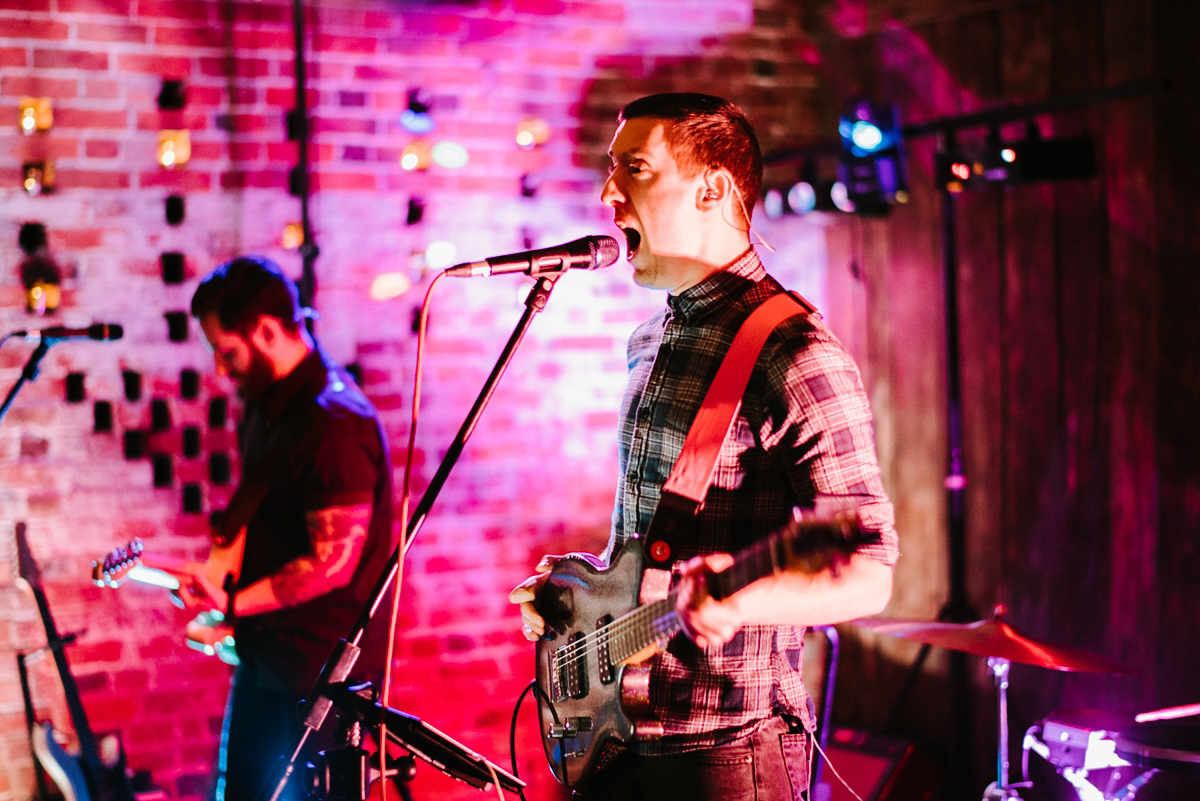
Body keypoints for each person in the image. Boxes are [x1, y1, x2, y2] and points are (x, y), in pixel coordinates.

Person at [509, 93, 899, 800]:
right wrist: (576, 592)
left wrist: (742, 600)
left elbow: (870, 574)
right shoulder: (649, 340)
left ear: (713, 188)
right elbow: (649, 539)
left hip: (727, 755)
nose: (608, 193)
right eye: (609, 169)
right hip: (623, 739)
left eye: (634, 169)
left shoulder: (798, 353)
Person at [182, 256, 397, 801]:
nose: (220, 371)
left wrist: (232, 606)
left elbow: (328, 565)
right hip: (268, 660)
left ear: (267, 331)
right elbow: (261, 522)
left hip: (320, 680)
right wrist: (222, 586)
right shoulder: (265, 409)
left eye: (226, 351)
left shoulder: (334, 422)